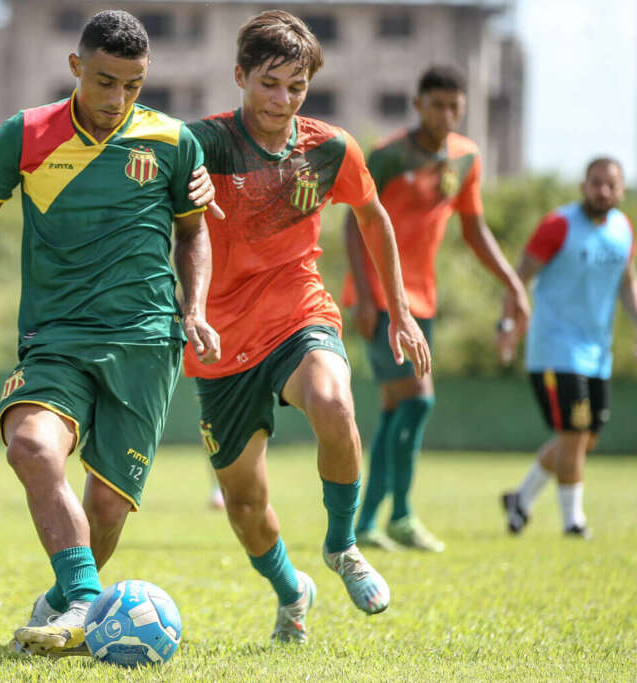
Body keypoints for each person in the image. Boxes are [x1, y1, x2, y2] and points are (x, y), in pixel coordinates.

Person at [0, 10, 222, 657]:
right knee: (32, 445)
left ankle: (65, 601)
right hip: (55, 338)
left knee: (108, 508)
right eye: (105, 81)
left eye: (134, 85)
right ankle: (87, 601)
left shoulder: (173, 142)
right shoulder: (27, 134)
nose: (118, 99)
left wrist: (195, 308)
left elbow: (194, 231)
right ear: (75, 68)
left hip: (146, 342)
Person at [184, 10, 431, 643]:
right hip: (219, 343)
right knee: (244, 506)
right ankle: (292, 590)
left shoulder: (329, 148)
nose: (282, 99)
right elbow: (140, 179)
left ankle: (343, 547)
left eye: (296, 87)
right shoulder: (200, 144)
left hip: (300, 314)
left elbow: (374, 219)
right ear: (240, 76)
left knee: (333, 401)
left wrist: (400, 310)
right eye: (269, 83)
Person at [341, 65, 530, 552]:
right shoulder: (386, 156)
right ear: (418, 103)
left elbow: (474, 228)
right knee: (419, 400)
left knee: (394, 410)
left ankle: (374, 524)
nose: (446, 113)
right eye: (438, 104)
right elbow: (352, 223)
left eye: (455, 106)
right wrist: (362, 295)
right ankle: (393, 514)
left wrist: (512, 282)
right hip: (381, 300)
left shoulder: (467, 157)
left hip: (421, 300)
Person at [500, 157, 635, 539]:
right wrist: (507, 324)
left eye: (610, 184)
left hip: (598, 353)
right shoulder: (559, 225)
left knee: (584, 438)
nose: (602, 191)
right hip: (556, 348)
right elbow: (518, 277)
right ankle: (573, 521)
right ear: (583, 185)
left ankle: (520, 499)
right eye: (596, 183)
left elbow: (628, 284)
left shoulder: (623, 229)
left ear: (621, 190)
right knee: (574, 435)